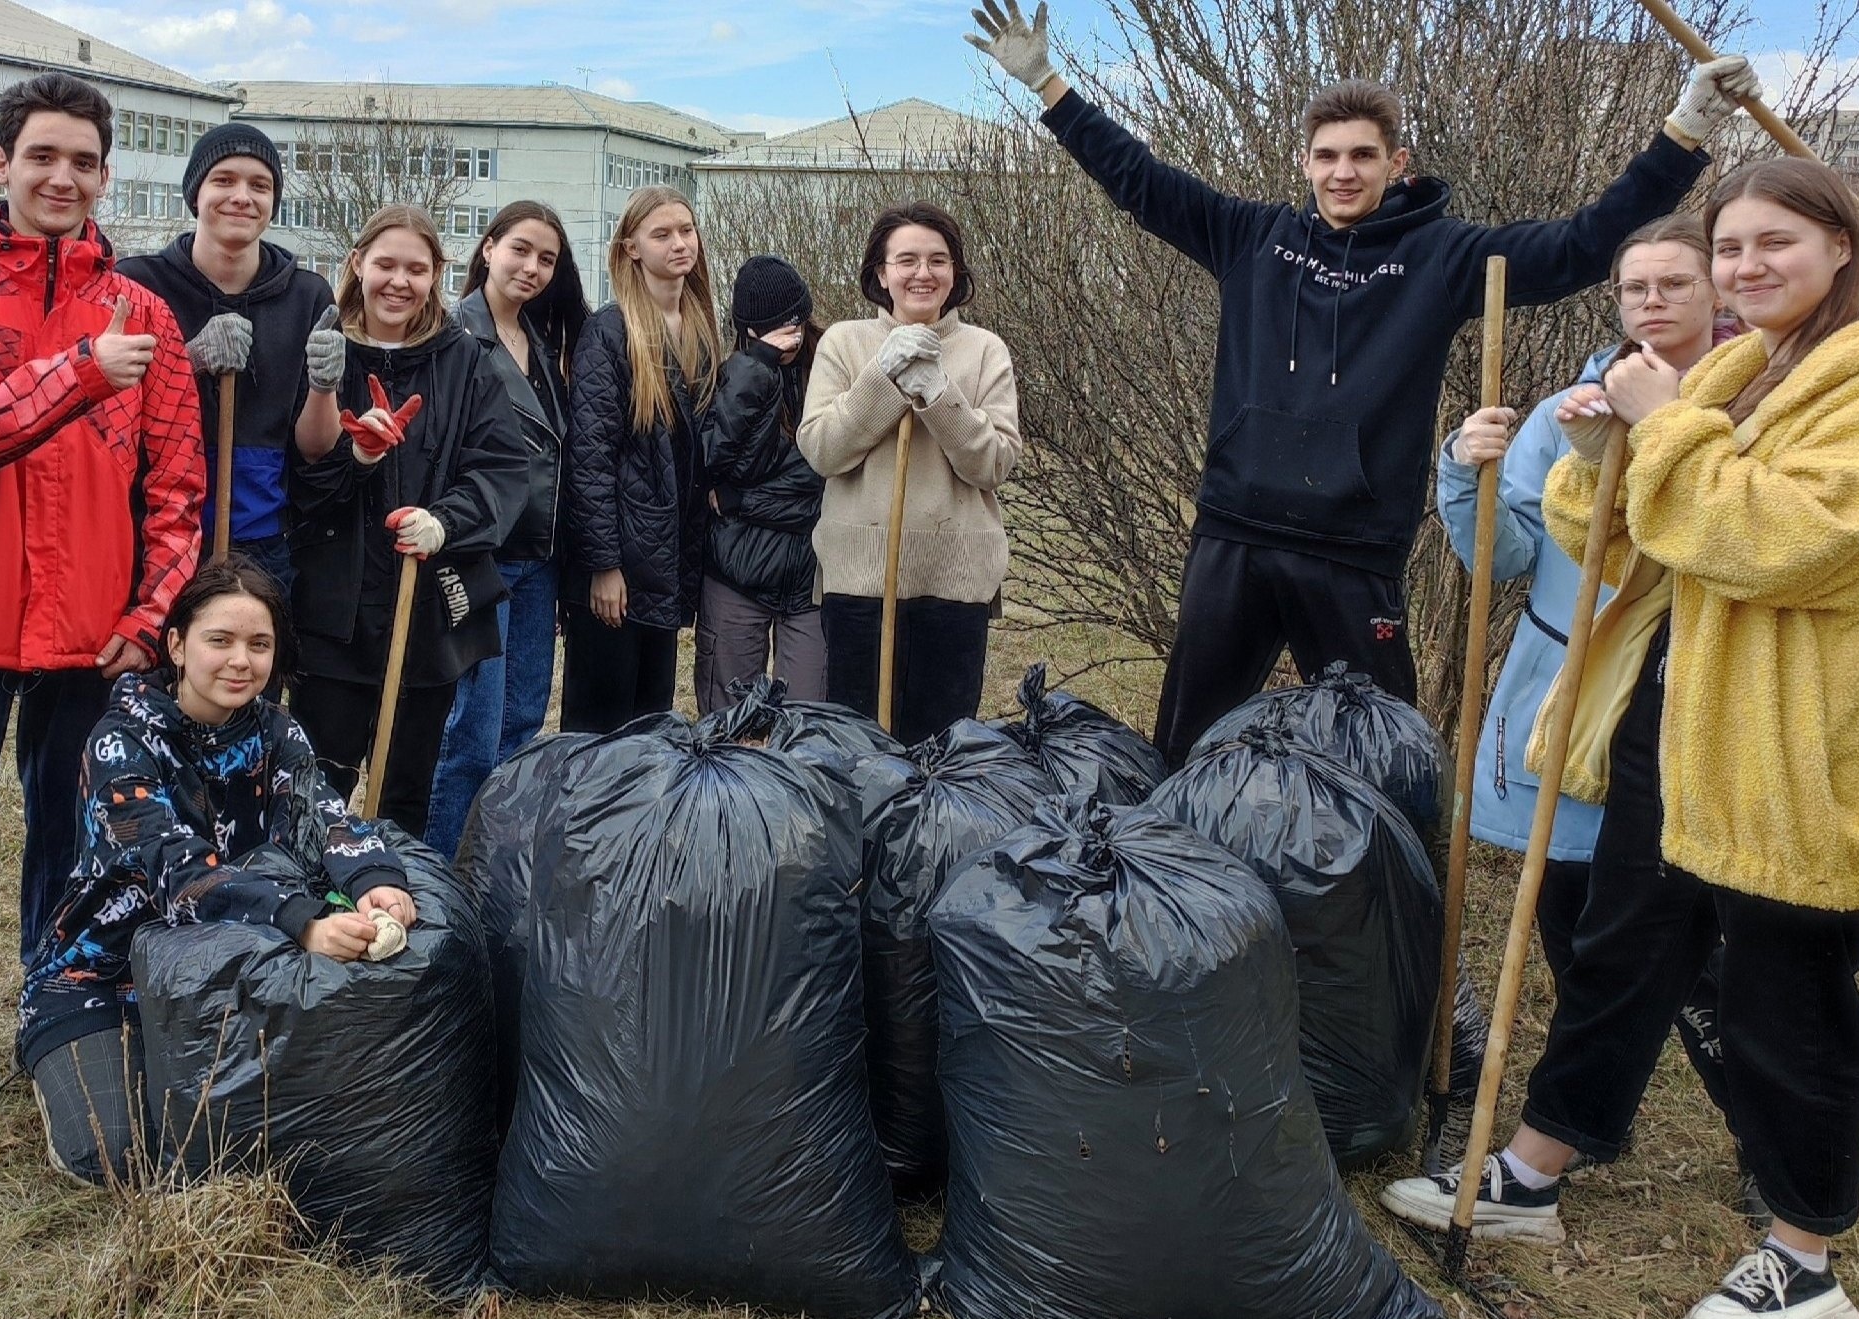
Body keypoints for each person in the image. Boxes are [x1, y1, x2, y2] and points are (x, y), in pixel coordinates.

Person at [1385, 158, 1859, 1319]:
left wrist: (1665, 435)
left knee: (1785, 998)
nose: (1747, 267)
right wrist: (1600, 459)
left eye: (1775, 245)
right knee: (1621, 944)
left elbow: (1794, 542)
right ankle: (1539, 1164)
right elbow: (1629, 545)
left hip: (1793, 744)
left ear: (1838, 251)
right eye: (1733, 250)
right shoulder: (1741, 369)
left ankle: (1806, 1256)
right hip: (1684, 711)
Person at [967, 0, 1759, 767]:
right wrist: (1048, 87)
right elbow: (1137, 178)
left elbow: (1582, 247)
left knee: (1382, 758)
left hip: (1353, 552)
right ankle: (1167, 884)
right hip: (1236, 534)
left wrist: (1684, 132)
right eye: (1327, 156)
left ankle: (1390, 897)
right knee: (1182, 744)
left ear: (1396, 163)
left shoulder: (1443, 258)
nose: (1342, 173)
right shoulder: (1250, 238)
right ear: (1305, 161)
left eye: (1362, 156)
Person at [0, 72, 204, 1134]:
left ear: (105, 174)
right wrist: (80, 371)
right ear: (0, 163)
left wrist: (148, 614)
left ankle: (49, 995)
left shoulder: (145, 312)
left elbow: (176, 485)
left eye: (82, 161)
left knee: (69, 831)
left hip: (93, 627)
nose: (62, 177)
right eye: (42, 157)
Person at [1436, 213, 1753, 1211]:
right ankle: (1581, 1113)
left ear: (1718, 293)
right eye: (1632, 288)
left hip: (1690, 693)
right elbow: (1507, 554)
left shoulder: (1757, 396)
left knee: (1689, 952)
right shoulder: (1569, 403)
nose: (1651, 303)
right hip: (1566, 695)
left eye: (1673, 283)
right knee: (1578, 922)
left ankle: (1768, 1140)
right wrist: (1463, 468)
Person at [18, 558, 415, 1185]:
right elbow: (175, 871)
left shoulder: (278, 731)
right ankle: (63, 1052)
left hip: (232, 963)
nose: (240, 661)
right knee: (120, 1156)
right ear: (176, 645)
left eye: (259, 645)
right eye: (219, 640)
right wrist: (303, 922)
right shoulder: (118, 744)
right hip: (104, 974)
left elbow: (323, 812)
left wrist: (374, 880)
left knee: (272, 1134)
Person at [287, 205, 530, 834]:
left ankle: (389, 912)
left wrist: (446, 521)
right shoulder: (322, 353)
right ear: (356, 265)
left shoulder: (465, 362)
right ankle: (316, 920)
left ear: (437, 276)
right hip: (332, 619)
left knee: (402, 794)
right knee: (320, 792)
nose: (399, 281)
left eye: (416, 269)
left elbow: (503, 468)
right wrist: (357, 459)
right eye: (385, 264)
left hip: (424, 618)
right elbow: (301, 486)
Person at [799, 205, 1021, 744]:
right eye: (907, 260)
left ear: (956, 274)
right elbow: (824, 451)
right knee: (860, 749)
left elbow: (993, 463)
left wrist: (937, 392)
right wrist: (885, 376)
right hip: (861, 582)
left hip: (955, 584)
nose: (923, 273)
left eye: (938, 261)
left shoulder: (984, 350)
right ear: (881, 273)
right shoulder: (845, 344)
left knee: (942, 752)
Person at [423, 201, 585, 850]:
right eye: (521, 249)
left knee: (521, 723)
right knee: (472, 732)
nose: (533, 267)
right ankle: (438, 874)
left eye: (547, 258)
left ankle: (492, 865)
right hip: (478, 560)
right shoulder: (457, 335)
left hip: (538, 560)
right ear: (487, 249)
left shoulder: (541, 343)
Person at [120, 122, 335, 593]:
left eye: (260, 185)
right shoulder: (137, 285)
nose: (242, 196)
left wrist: (324, 385)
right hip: (154, 530)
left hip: (262, 540)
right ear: (195, 193)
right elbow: (106, 410)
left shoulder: (308, 296)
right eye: (224, 180)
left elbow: (315, 448)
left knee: (248, 666)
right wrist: (186, 360)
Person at [560, 186, 723, 733]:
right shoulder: (610, 332)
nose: (680, 244)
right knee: (600, 732)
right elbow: (589, 458)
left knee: (651, 725)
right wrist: (604, 565)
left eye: (686, 230)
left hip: (666, 563)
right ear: (631, 248)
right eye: (662, 234)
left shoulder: (701, 327)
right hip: (619, 568)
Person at [693, 254, 829, 712]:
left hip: (811, 580)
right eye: (771, 328)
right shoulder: (734, 374)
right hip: (736, 574)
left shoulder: (831, 368)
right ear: (748, 330)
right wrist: (757, 367)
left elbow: (817, 484)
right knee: (728, 728)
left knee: (808, 730)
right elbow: (711, 461)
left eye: (794, 323)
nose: (787, 337)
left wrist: (740, 500)